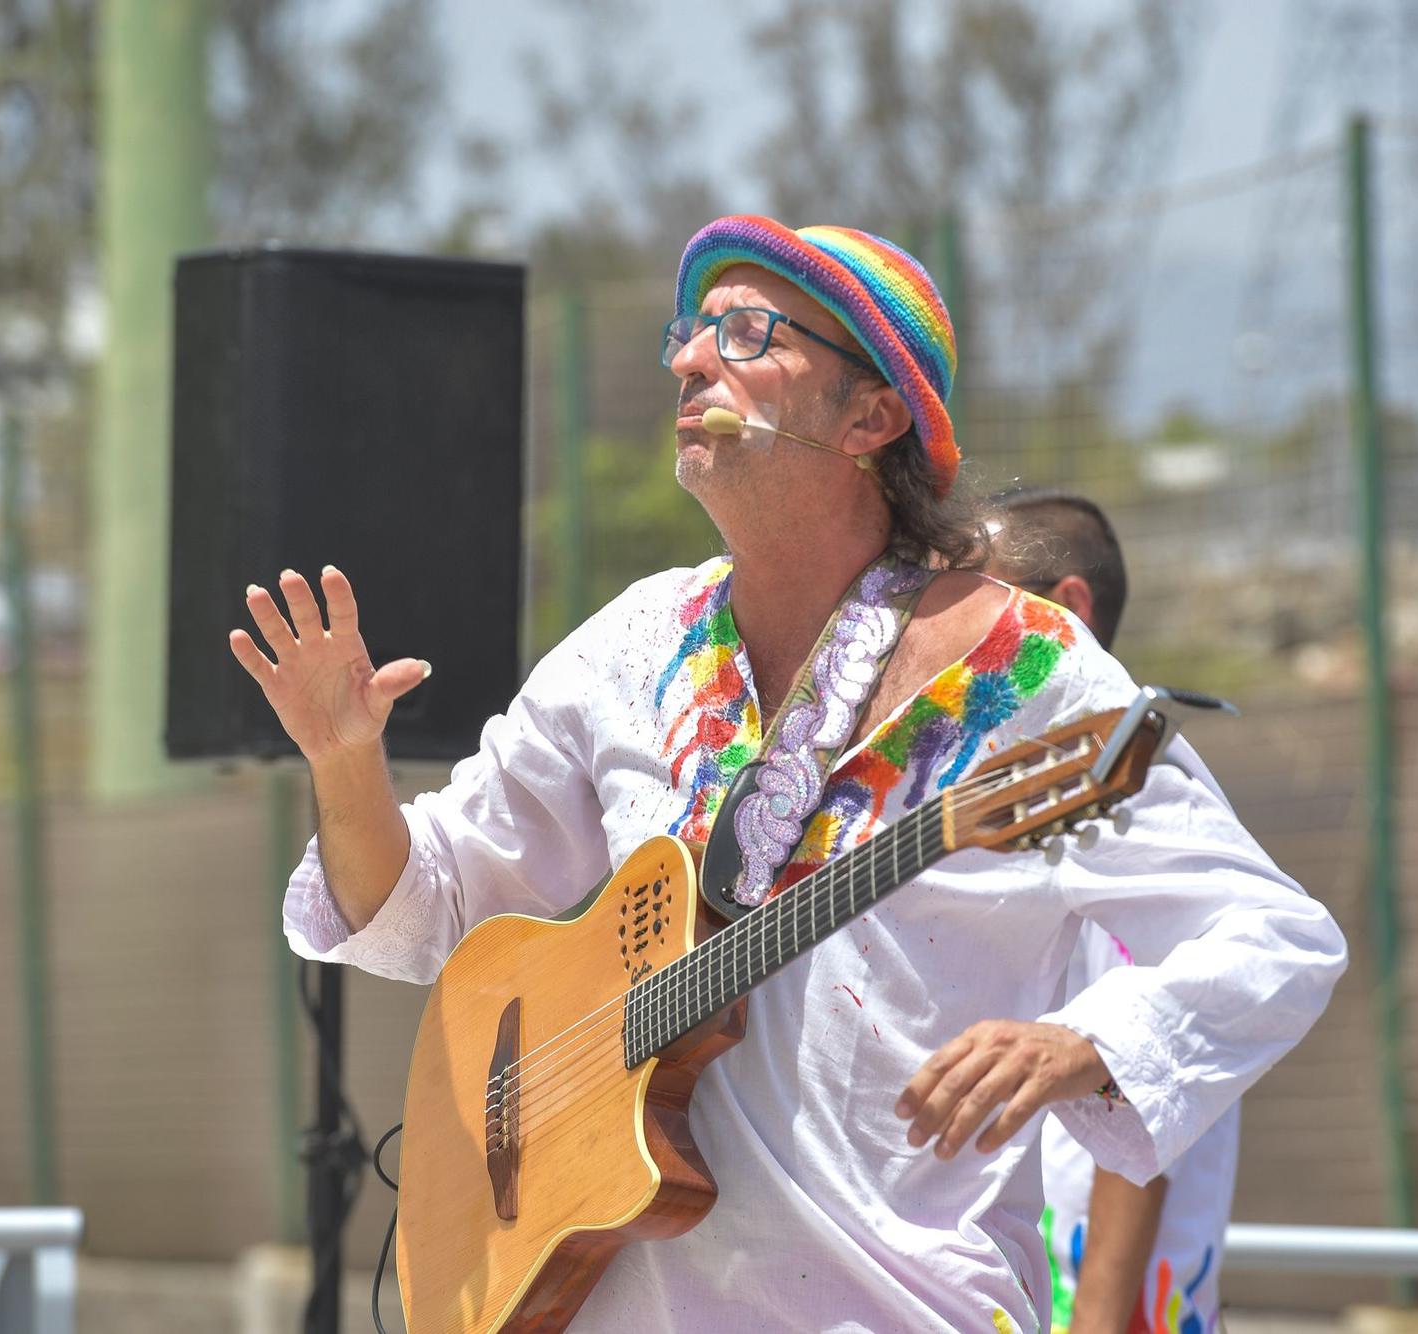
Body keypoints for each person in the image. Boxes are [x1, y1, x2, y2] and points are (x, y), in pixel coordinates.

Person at [230, 214, 1346, 1333]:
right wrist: (342, 761)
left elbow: (1272, 935)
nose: (687, 358)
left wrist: (1086, 1041)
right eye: (691, 329)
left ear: (871, 415)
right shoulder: (637, 641)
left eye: (748, 331)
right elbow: (419, 909)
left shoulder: (1033, 672)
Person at [987, 489, 1236, 1334]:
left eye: (983, 607)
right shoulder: (1040, 784)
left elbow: (1136, 1097)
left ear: (1067, 611)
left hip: (1105, 1302)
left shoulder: (1116, 797)